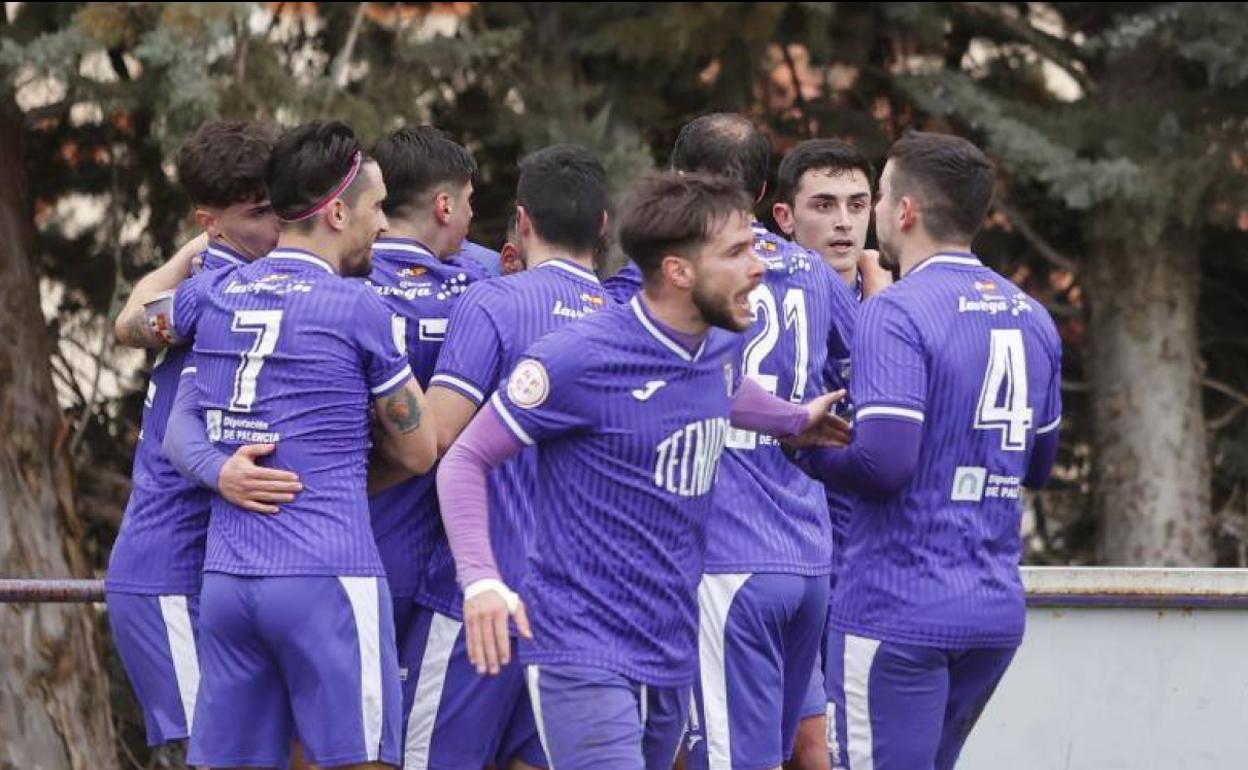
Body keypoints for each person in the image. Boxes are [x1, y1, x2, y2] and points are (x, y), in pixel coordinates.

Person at [436, 171, 850, 770]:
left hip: (670, 650)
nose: (760, 266)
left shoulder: (719, 344)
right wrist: (480, 579)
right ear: (679, 272)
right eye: (737, 252)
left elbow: (727, 388)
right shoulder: (578, 356)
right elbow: (466, 458)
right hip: (582, 651)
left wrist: (791, 420)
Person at [168, 120, 439, 770]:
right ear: (338, 210)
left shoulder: (219, 292)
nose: (384, 225)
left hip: (231, 578)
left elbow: (181, 421)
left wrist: (222, 473)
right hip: (328, 576)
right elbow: (420, 448)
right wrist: (342, 475)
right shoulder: (357, 307)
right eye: (376, 208)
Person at [796, 131, 1061, 770]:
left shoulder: (898, 310)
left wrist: (801, 449)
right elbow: (1041, 466)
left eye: (878, 196)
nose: (873, 214)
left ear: (905, 211)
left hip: (898, 609)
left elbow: (885, 465)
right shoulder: (1032, 315)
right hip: (993, 611)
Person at [653, 115, 855, 770]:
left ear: (678, 180)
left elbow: (686, 383)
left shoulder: (681, 275)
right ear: (766, 185)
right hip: (806, 557)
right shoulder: (816, 275)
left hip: (728, 558)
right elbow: (867, 379)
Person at [405, 144, 612, 770]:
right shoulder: (630, 322)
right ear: (604, 226)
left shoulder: (494, 303)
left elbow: (435, 437)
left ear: (521, 221)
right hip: (580, 605)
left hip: (478, 593)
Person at [105, 119, 281, 749]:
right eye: (259, 211)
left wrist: (185, 254)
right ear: (212, 220)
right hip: (165, 575)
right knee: (214, 754)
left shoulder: (225, 278)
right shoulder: (216, 291)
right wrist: (190, 255)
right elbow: (130, 321)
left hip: (216, 573)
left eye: (280, 205)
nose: (276, 224)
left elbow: (132, 315)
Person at [771, 138, 887, 770]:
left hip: (862, 570)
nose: (843, 221)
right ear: (785, 217)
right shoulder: (752, 300)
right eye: (824, 204)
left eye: (857, 203)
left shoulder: (893, 309)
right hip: (776, 553)